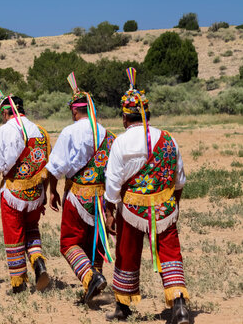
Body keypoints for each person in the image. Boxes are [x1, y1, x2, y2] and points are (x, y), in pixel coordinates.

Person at [104, 68, 189, 323]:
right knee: (170, 252)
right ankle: (180, 305)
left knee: (126, 253)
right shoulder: (168, 139)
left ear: (124, 117)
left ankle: (123, 307)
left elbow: (113, 183)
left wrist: (110, 210)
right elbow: (179, 178)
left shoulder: (121, 142)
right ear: (147, 113)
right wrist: (174, 204)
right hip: (164, 207)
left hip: (131, 209)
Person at [46, 72, 116, 303]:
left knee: (69, 243)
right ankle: (94, 284)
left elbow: (55, 166)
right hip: (103, 197)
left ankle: (89, 276)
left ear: (75, 110)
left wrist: (52, 190)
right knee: (94, 243)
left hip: (78, 196)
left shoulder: (69, 131)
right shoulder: (109, 135)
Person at [0, 88, 51, 293]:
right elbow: (46, 168)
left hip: (13, 192)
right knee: (31, 229)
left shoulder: (3, 132)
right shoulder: (41, 131)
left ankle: (19, 283)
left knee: (14, 234)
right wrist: (45, 193)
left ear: (6, 113)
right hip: (36, 192)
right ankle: (38, 262)